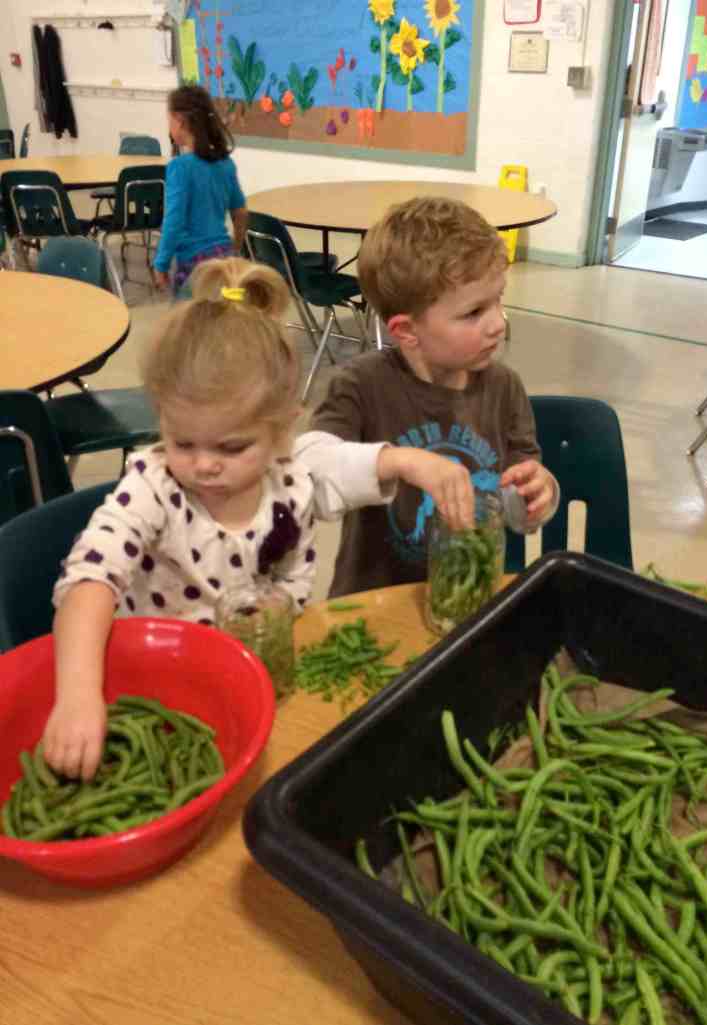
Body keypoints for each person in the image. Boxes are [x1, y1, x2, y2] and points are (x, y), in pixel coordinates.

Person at [43, 257, 476, 781]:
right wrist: (78, 695)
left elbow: (340, 468)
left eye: (232, 446)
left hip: (252, 687)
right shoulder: (153, 487)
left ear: (281, 431)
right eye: (182, 441)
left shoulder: (291, 480)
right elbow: (90, 580)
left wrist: (408, 460)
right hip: (156, 693)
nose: (204, 464)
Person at [306, 195, 560, 598]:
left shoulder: (505, 388)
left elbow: (516, 504)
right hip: (374, 602)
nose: (497, 323)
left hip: (469, 597)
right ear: (407, 331)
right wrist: (397, 461)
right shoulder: (359, 385)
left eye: (498, 299)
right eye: (473, 312)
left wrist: (536, 494)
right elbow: (305, 473)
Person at [153, 84, 249, 295]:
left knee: (191, 324)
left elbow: (174, 221)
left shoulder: (179, 167)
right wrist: (235, 248)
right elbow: (240, 212)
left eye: (169, 120)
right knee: (224, 318)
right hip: (225, 262)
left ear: (179, 120)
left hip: (195, 266)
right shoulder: (225, 163)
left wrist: (161, 264)